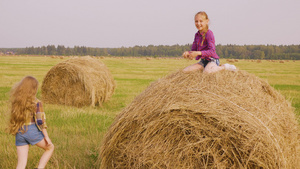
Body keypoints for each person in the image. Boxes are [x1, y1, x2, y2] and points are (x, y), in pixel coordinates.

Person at [8, 76, 54, 169]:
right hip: (31, 130)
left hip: (19, 132)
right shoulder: (36, 102)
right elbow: (41, 122)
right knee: (50, 148)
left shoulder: (17, 101)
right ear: (34, 89)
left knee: (21, 164)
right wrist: (47, 138)